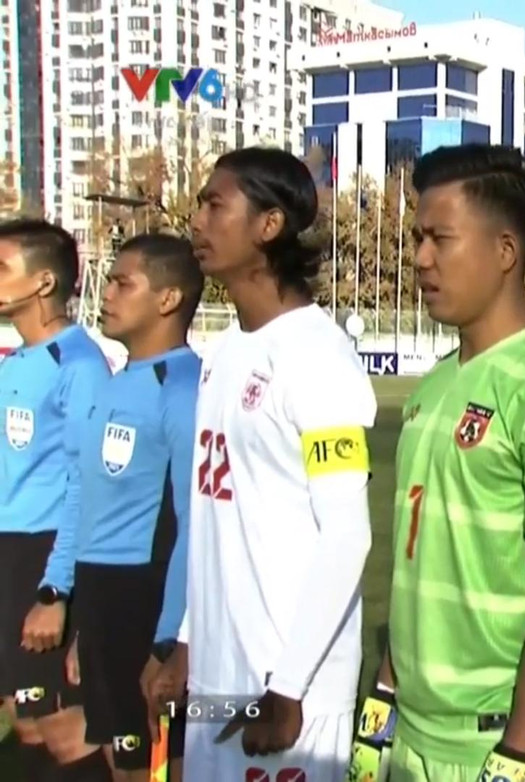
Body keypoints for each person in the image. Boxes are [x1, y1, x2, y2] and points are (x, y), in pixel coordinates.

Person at [362, 144, 525, 782]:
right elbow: (415, 567)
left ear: (505, 251)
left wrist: (517, 762)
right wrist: (380, 713)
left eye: (440, 239)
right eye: (419, 237)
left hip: (502, 748)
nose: (420, 258)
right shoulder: (433, 388)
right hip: (413, 739)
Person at [145, 147, 376, 782]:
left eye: (215, 205)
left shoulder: (318, 359)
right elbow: (222, 520)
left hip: (289, 693)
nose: (197, 221)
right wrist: (189, 642)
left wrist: (289, 686)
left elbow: (348, 535)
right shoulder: (225, 351)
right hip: (221, 681)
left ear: (269, 225)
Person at [65, 234, 203, 782]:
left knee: (154, 767)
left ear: (168, 299)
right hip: (101, 601)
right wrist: (83, 621)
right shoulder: (117, 381)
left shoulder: (184, 388)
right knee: (118, 762)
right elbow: (90, 500)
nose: (109, 293)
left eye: (124, 283)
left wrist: (167, 640)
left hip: (143, 603)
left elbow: (193, 522)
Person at [0, 217, 113, 780]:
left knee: (61, 731)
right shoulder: (17, 360)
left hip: (40, 559)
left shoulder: (79, 364)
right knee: (23, 719)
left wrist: (55, 588)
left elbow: (87, 486)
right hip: (8, 553)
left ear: (43, 283)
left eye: (2, 267)